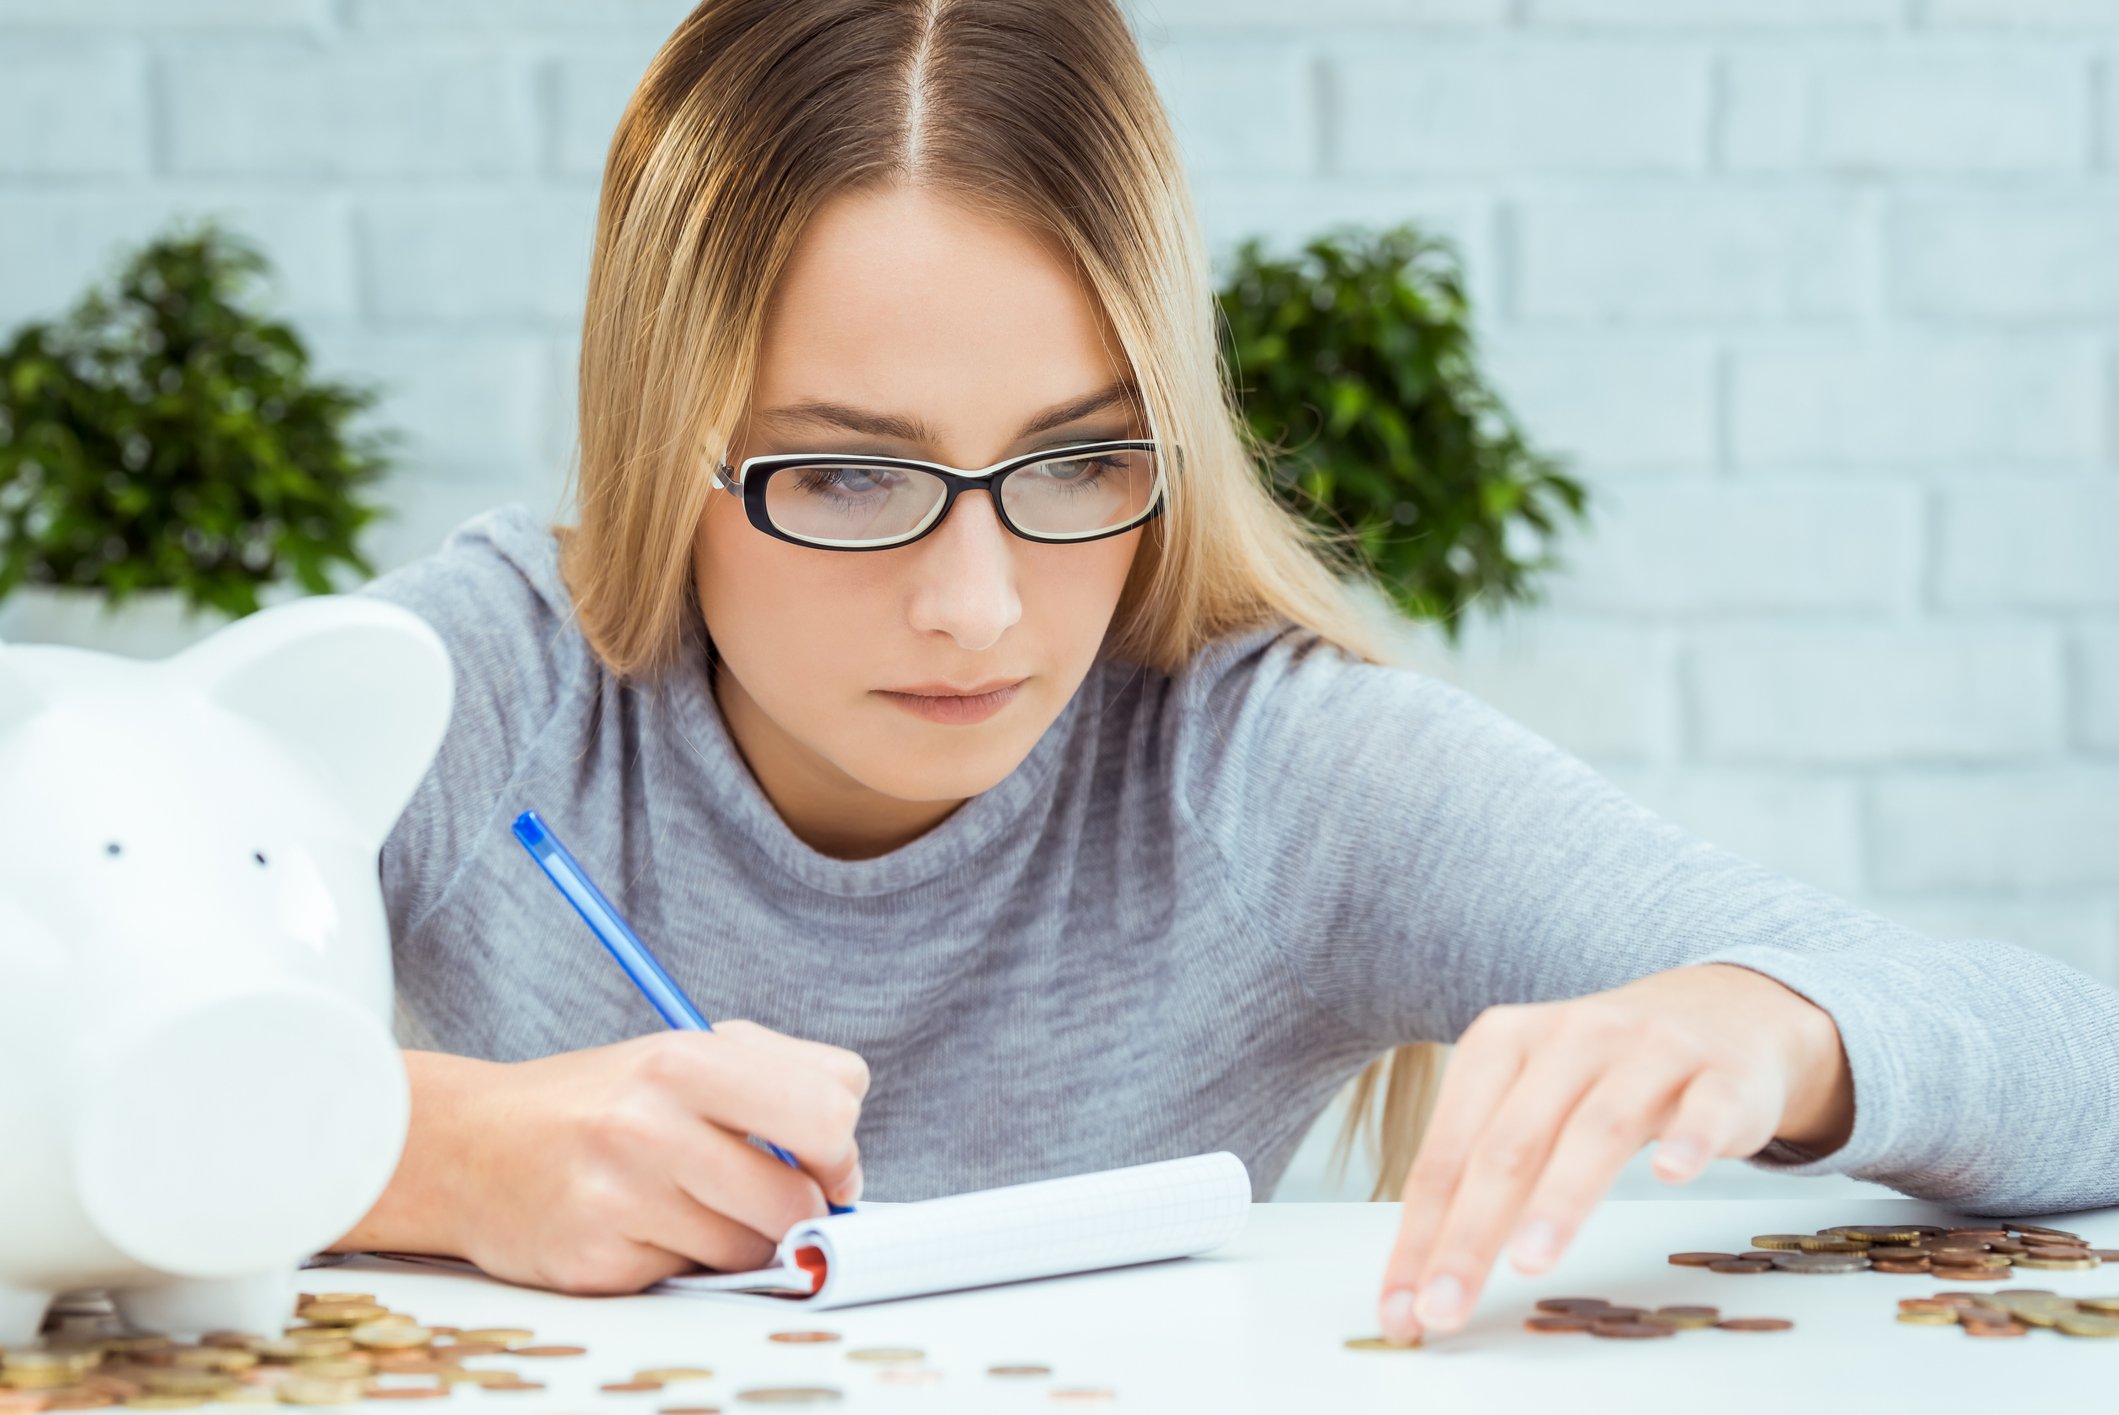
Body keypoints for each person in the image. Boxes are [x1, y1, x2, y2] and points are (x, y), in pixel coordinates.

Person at [332, 0, 2119, 1347]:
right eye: (852, 476)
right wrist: (431, 1149)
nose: (978, 607)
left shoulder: (1264, 773)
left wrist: (1771, 1024)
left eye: (1076, 463)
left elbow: (2085, 1066)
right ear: (671, 451)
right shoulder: (491, 683)